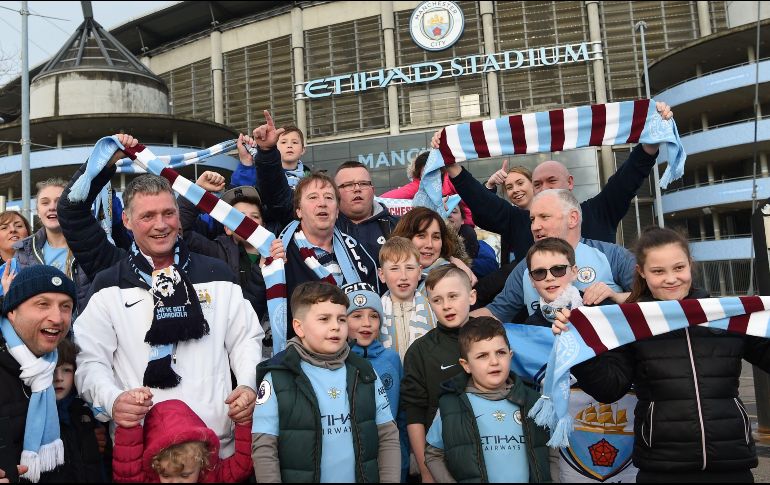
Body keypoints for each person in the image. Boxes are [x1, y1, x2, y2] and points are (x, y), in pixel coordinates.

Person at [58, 133, 263, 458]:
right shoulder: (111, 279)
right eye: (147, 216)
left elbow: (245, 339)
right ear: (126, 221)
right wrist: (112, 400)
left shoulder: (216, 272)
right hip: (141, 451)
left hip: (216, 449)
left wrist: (248, 384)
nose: (161, 225)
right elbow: (90, 359)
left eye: (168, 213)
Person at [553, 226, 770, 483]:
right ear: (641, 273)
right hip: (662, 466)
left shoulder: (726, 315)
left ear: (690, 265)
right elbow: (608, 389)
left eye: (679, 268)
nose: (671, 279)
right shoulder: (631, 325)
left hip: (730, 462)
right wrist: (577, 345)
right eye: (658, 271)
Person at [251, 281, 401, 483]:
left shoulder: (364, 372)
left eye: (341, 319)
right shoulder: (277, 377)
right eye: (324, 319)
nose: (335, 327)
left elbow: (388, 436)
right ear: (299, 327)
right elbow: (264, 448)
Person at [523, 238, 637, 483]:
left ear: (574, 272)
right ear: (532, 280)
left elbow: (613, 387)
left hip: (617, 434)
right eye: (540, 273)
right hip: (563, 452)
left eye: (558, 269)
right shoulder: (530, 329)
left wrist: (576, 340)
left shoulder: (605, 312)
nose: (550, 278)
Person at [474, 189, 635, 324]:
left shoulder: (613, 255)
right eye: (532, 219)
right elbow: (496, 313)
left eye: (544, 217)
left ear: (572, 218)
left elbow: (653, 298)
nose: (535, 227)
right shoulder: (524, 268)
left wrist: (616, 297)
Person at [424, 317, 551, 483]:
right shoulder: (451, 406)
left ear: (510, 356)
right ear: (466, 364)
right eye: (482, 356)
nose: (494, 361)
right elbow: (433, 454)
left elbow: (551, 452)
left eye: (500, 352)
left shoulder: (534, 402)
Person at [401, 264, 479, 483]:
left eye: (453, 296)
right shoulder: (420, 351)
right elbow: (414, 413)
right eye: (437, 300)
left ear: (472, 296)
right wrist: (426, 470)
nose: (446, 306)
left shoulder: (492, 339)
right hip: (442, 461)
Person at [0, 265, 76, 482]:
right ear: (12, 312)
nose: (57, 317)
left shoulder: (60, 366)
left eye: (66, 307)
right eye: (42, 304)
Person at [179, 172, 275, 325]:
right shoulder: (216, 252)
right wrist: (196, 190)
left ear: (263, 226)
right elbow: (178, 233)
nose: (247, 221)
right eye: (239, 217)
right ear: (227, 229)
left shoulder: (280, 253)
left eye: (255, 216)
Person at [343, 281, 409, 482]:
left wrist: (405, 458)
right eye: (356, 316)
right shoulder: (338, 362)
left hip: (390, 458)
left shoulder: (391, 359)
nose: (366, 323)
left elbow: (402, 414)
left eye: (373, 316)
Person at [113, 395, 253, 483]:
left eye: (185, 475)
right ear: (155, 467)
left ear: (202, 463)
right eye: (166, 476)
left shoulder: (212, 475)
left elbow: (243, 465)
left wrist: (243, 421)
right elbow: (128, 472)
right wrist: (130, 424)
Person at [47, 339, 111, 483]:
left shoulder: (88, 409)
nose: (59, 378)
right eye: (52, 370)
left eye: (66, 370)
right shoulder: (35, 413)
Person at [377, 236, 437, 361]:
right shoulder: (375, 314)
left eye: (409, 268)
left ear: (419, 272)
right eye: (394, 269)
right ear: (382, 275)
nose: (403, 276)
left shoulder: (435, 309)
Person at [390, 206, 476, 289]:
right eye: (421, 236)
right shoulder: (389, 274)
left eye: (436, 237)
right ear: (405, 238)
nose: (429, 244)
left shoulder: (453, 280)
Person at [381, 151, 474, 225]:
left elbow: (473, 205)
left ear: (441, 170)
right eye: (426, 172)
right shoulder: (418, 187)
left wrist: (464, 222)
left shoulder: (453, 182)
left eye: (433, 170)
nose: (430, 175)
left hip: (460, 227)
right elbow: (384, 199)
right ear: (419, 173)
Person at [334, 160, 400, 259]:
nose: (357, 189)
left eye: (363, 184)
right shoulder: (325, 229)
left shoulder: (399, 226)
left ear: (373, 191)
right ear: (335, 193)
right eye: (348, 185)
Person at [232, 125, 310, 189]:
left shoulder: (310, 179)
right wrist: (246, 162)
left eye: (295, 142)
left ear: (303, 150)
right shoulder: (261, 173)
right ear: (274, 147)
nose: (289, 146)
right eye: (283, 142)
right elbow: (242, 193)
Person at [446, 204, 498, 279]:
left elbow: (491, 267)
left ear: (462, 220)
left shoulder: (481, 246)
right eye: (445, 211)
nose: (449, 215)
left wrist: (462, 263)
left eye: (454, 212)